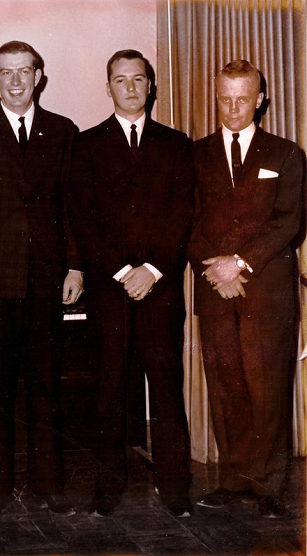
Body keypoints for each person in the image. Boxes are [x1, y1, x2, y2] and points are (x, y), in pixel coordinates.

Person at [0, 40, 81, 522]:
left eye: (23, 71)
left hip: (49, 280)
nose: (15, 80)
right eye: (5, 72)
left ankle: (48, 485)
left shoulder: (63, 131)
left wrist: (75, 265)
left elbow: (70, 206)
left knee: (47, 388)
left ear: (39, 76)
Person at [67, 49, 195, 518]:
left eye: (138, 79)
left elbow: (183, 214)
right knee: (109, 392)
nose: (130, 87)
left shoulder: (176, 143)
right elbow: (83, 218)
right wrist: (123, 272)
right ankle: (108, 487)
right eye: (120, 80)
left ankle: (175, 487)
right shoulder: (86, 145)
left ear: (150, 86)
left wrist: (154, 271)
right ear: (108, 88)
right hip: (110, 291)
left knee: (165, 390)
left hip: (160, 292)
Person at [188, 59, 304, 518]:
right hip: (214, 289)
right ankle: (235, 479)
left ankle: (269, 487)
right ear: (215, 97)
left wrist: (238, 263)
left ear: (260, 99)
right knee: (225, 385)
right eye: (224, 98)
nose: (233, 109)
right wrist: (215, 270)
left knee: (267, 388)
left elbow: (288, 221)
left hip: (266, 290)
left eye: (243, 99)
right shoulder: (195, 154)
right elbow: (188, 221)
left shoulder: (286, 154)